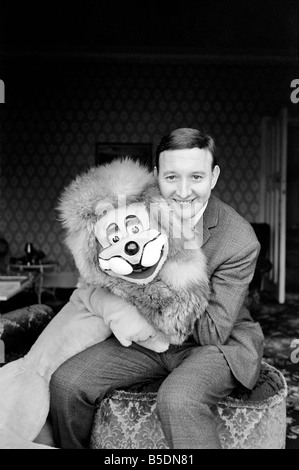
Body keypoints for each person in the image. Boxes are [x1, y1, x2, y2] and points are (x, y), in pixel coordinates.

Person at [49, 127, 264, 449]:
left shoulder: (239, 239)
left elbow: (211, 333)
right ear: (156, 176)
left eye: (196, 177)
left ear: (214, 176)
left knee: (178, 398)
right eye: (171, 177)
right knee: (67, 384)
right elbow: (97, 271)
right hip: (148, 334)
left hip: (216, 342)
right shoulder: (135, 210)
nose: (183, 191)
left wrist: (145, 275)